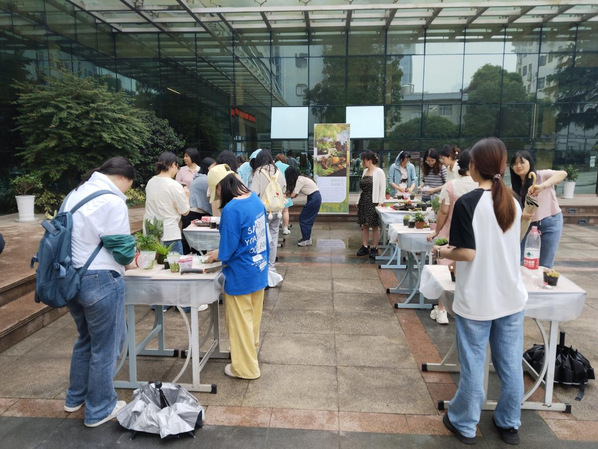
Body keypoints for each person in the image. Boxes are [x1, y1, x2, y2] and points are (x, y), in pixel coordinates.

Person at [433, 137, 527, 446]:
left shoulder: (468, 203)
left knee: (474, 365)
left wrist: (443, 252)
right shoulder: (512, 200)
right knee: (510, 366)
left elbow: (467, 253)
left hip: (477, 299)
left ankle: (465, 423)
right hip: (511, 297)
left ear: (474, 166)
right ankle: (509, 423)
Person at [62, 157, 137, 427]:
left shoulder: (75, 193)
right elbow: (122, 250)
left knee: (85, 340)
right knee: (107, 347)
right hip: (101, 280)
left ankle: (75, 398)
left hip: (70, 278)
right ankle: (99, 409)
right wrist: (134, 260)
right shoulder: (112, 200)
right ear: (124, 177)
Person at [205, 164, 268, 379]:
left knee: (240, 324)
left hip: (240, 274)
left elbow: (228, 247)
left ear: (220, 187)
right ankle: (250, 355)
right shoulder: (254, 199)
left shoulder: (231, 209)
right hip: (259, 269)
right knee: (252, 321)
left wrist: (218, 254)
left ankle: (245, 368)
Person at [426, 149, 478, 325]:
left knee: (445, 273)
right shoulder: (481, 186)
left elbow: (443, 211)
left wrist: (437, 231)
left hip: (451, 232)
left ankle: (442, 310)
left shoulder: (451, 186)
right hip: (474, 235)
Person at [510, 151, 567, 269]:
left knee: (545, 263)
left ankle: (541, 281)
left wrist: (542, 186)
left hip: (550, 222)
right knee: (519, 260)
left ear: (530, 162)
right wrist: (521, 215)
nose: (518, 166)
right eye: (515, 164)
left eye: (522, 162)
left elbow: (563, 173)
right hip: (527, 225)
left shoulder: (541, 175)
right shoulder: (514, 187)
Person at [250, 149, 286, 286]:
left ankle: (263, 269)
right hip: (277, 211)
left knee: (261, 240)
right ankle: (271, 267)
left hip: (262, 211)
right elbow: (283, 189)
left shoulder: (259, 172)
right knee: (274, 238)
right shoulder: (278, 171)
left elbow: (254, 193)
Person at [144, 151, 190, 255]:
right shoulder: (174, 185)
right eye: (177, 167)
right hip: (169, 234)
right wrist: (187, 196)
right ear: (173, 164)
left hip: (151, 234)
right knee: (174, 264)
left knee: (154, 265)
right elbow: (185, 211)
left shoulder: (151, 182)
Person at [356, 150, 386, 258]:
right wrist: (358, 201)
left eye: (364, 160)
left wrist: (381, 202)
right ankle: (365, 246)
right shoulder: (365, 171)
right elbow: (361, 189)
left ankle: (374, 247)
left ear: (369, 160)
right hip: (364, 201)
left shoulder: (379, 172)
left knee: (374, 225)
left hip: (374, 202)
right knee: (364, 225)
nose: (362, 162)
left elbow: (382, 188)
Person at [285, 166, 322, 246]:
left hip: (314, 198)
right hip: (314, 197)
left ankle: (306, 239)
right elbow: (295, 195)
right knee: (306, 218)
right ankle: (307, 237)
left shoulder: (299, 180)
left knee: (304, 218)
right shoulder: (301, 178)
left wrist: (283, 196)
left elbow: (293, 194)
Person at [274, 153, 292, 235]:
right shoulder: (287, 167)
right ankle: (285, 228)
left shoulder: (272, 166)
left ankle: (275, 227)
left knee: (275, 210)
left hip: (273, 191)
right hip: (284, 190)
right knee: (285, 210)